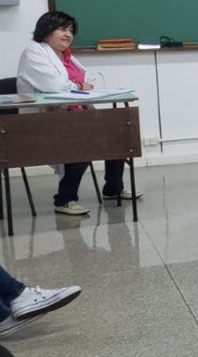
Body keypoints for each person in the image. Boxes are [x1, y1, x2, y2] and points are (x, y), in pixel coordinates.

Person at [16, 11, 141, 216]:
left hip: (76, 114)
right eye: (62, 29)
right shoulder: (34, 52)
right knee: (81, 144)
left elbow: (74, 84)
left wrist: (79, 87)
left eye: (71, 30)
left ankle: (113, 189)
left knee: (117, 135)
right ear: (46, 30)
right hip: (45, 119)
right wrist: (80, 86)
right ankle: (64, 199)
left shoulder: (66, 55)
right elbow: (54, 85)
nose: (68, 34)